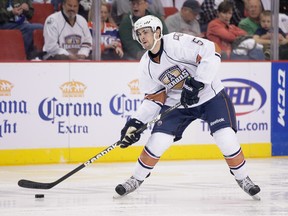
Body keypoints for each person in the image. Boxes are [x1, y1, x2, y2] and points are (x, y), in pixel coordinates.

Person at [114, 15, 261, 200]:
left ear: (157, 32)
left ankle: (243, 178)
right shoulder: (146, 65)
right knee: (158, 140)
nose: (142, 37)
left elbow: (212, 50)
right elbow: (153, 98)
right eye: (139, 34)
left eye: (146, 32)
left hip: (210, 95)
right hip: (179, 103)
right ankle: (135, 179)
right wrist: (135, 123)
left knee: (226, 137)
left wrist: (198, 82)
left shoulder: (176, 42)